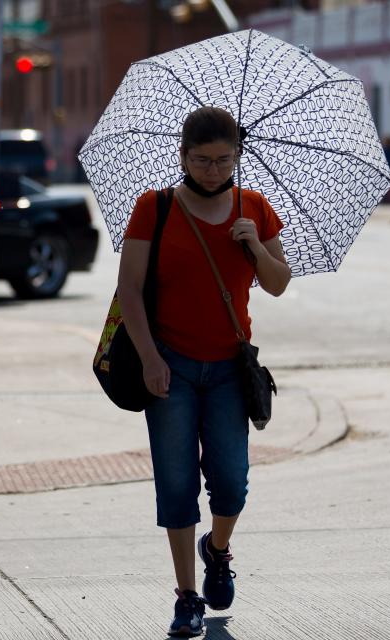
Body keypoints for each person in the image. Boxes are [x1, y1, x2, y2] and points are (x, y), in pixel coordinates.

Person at [117, 106, 291, 637]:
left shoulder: (255, 208)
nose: (213, 171)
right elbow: (130, 289)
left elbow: (279, 282)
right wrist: (149, 357)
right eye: (202, 160)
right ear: (183, 156)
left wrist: (254, 245)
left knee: (232, 486)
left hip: (227, 372)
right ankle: (187, 595)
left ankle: (217, 550)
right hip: (170, 366)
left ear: (239, 155)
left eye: (223, 159)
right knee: (175, 483)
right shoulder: (156, 208)